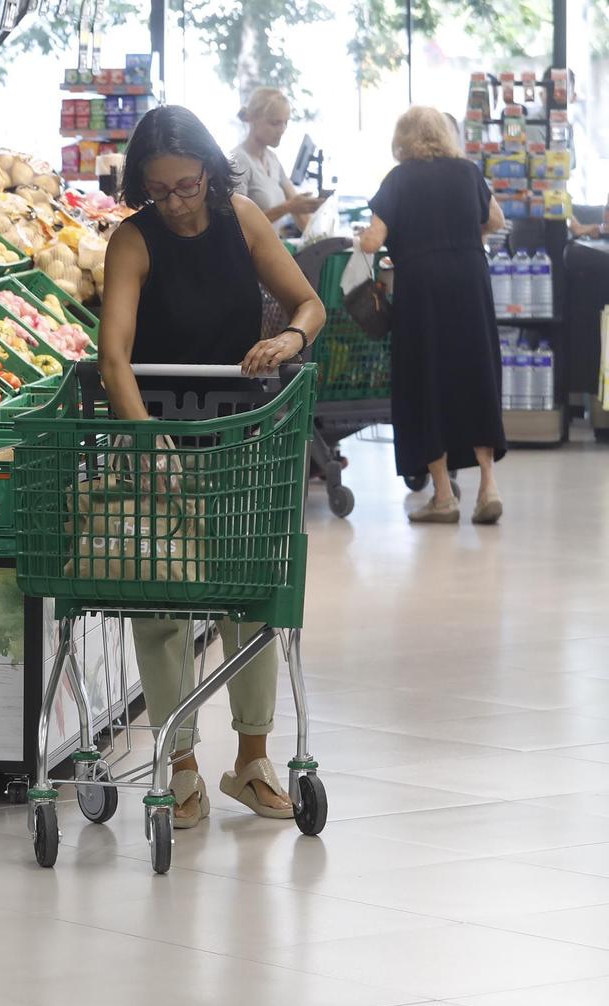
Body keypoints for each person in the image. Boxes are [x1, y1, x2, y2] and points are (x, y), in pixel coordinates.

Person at [99, 105, 327, 830]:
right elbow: (114, 357)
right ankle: (183, 768)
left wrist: (290, 338)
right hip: (159, 437)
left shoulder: (242, 217)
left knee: (251, 597)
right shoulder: (132, 242)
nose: (177, 202)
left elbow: (309, 303)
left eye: (187, 185)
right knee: (161, 604)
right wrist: (147, 442)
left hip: (242, 437)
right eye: (160, 190)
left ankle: (252, 762)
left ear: (208, 170)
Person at [358, 105, 508, 525]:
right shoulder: (467, 173)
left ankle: (443, 496)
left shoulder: (399, 179)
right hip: (470, 278)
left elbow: (373, 241)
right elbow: (495, 219)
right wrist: (460, 238)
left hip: (422, 287)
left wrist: (360, 240)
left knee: (426, 381)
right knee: (477, 373)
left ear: (403, 139)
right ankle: (488, 488)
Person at [232, 87, 324, 234]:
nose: (282, 129)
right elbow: (238, 225)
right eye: (275, 123)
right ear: (253, 119)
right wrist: (287, 207)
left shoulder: (272, 159)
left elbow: (297, 207)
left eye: (285, 123)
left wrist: (317, 220)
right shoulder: (238, 161)